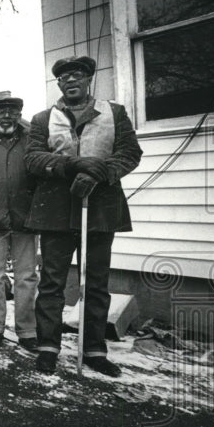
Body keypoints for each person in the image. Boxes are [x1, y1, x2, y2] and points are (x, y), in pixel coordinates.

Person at [24, 56, 143, 377]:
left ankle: (94, 350)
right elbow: (33, 158)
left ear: (89, 78)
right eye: (64, 78)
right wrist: (72, 165)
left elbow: (131, 153)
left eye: (77, 75)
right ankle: (48, 348)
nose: (70, 81)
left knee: (96, 282)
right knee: (51, 283)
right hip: (56, 212)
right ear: (59, 84)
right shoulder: (42, 118)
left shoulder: (114, 112)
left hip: (100, 209)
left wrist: (99, 174)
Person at [0, 96, 39, 352]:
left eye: (13, 112)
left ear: (20, 114)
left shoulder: (33, 139)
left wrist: (34, 206)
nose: (7, 117)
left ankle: (27, 331)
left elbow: (40, 175)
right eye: (2, 112)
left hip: (26, 219)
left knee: (26, 277)